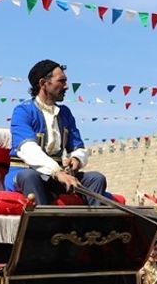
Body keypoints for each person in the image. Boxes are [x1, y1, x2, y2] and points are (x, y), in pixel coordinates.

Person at [8, 59, 107, 206]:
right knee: (30, 177)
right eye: (61, 81)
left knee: (96, 178)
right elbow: (28, 149)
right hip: (25, 174)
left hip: (58, 176)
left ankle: (93, 226)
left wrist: (76, 159)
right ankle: (42, 226)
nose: (66, 86)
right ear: (43, 83)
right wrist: (57, 172)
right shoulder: (23, 111)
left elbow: (78, 147)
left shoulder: (65, 113)